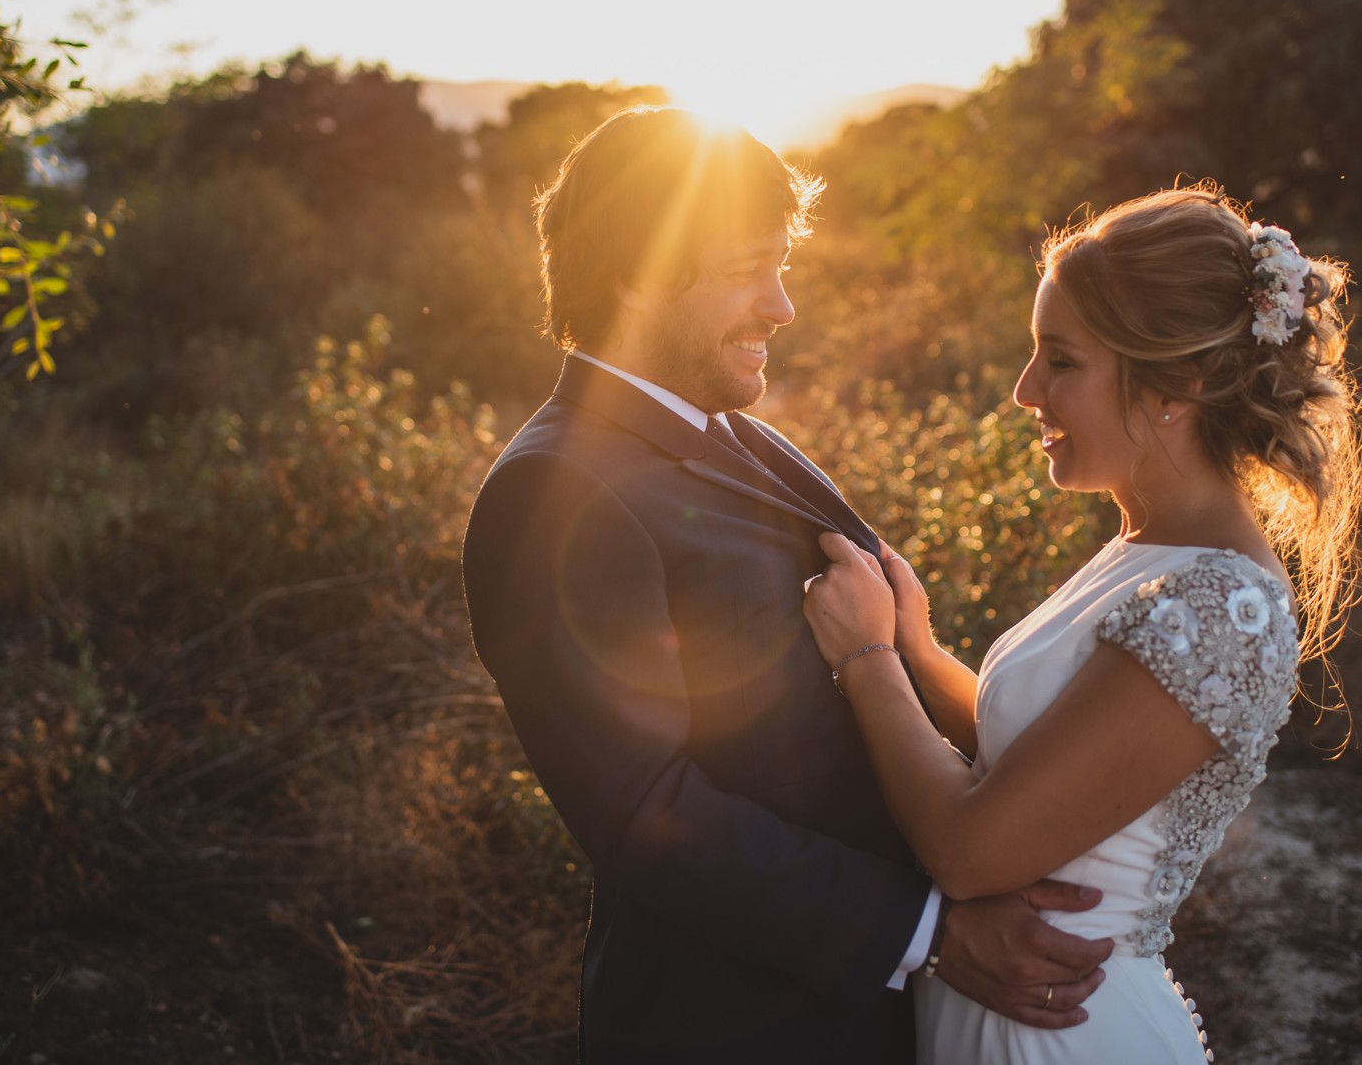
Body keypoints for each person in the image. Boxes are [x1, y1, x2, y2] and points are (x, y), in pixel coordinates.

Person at [462, 108, 1115, 1064]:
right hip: (734, 1027)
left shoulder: (743, 433)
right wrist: (931, 932)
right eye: (747, 271)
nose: (782, 307)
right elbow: (644, 809)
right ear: (635, 274)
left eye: (783, 266)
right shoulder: (552, 491)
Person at [803, 186, 1362, 1063]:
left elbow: (968, 851)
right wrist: (918, 649)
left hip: (1065, 1033)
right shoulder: (1149, 543)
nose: (1025, 389)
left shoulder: (1220, 606)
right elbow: (1042, 755)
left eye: (1061, 360)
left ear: (1180, 385)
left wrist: (867, 657)